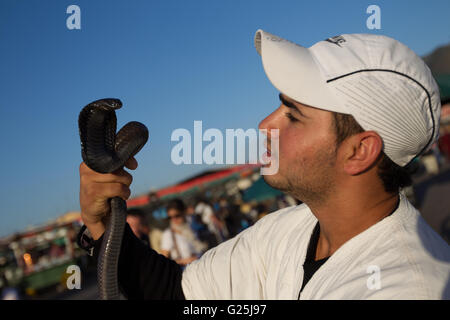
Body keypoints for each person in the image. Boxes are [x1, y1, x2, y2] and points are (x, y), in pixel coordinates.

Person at [78, 30, 450, 299]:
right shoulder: (284, 231)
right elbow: (181, 294)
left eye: (294, 113)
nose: (266, 124)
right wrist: (104, 226)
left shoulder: (406, 288)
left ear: (359, 151)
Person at [160, 199, 207, 267]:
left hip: (203, 267)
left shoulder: (192, 227)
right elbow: (164, 261)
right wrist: (186, 261)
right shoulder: (168, 234)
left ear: (184, 212)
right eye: (170, 217)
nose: (173, 219)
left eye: (177, 215)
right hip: (186, 272)